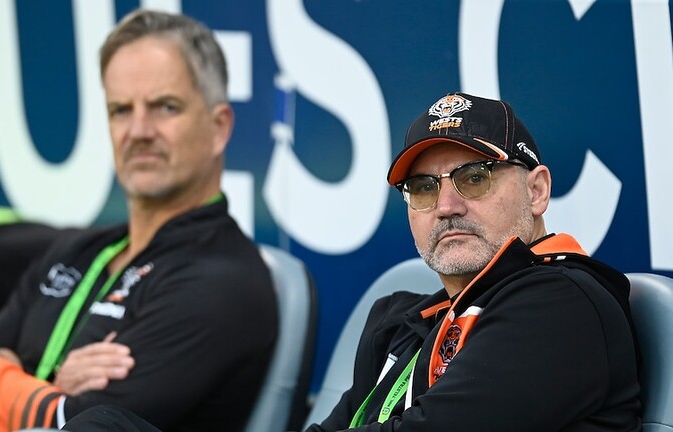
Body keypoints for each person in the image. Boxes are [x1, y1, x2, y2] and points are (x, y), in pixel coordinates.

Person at [60, 91, 642, 432]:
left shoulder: (562, 303)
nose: (447, 205)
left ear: (537, 192)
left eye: (474, 177)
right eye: (421, 188)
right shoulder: (407, 321)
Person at [0, 8, 277, 432]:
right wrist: (52, 386)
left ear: (219, 127)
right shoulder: (75, 251)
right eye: (120, 110)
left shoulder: (223, 280)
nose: (139, 130)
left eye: (165, 107)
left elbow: (80, 425)